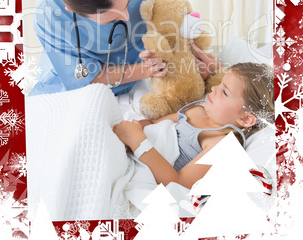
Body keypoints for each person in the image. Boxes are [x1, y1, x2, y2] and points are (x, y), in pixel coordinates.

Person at [29, 0, 175, 96]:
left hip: (147, 63)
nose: (127, 17)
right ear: (72, 10)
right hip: (86, 84)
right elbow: (83, 78)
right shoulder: (49, 16)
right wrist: (146, 70)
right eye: (111, 20)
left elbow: (176, 28)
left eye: (128, 1)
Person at [113, 62, 274, 189]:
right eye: (220, 83)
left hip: (143, 161)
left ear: (245, 120)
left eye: (225, 92)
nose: (213, 88)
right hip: (131, 144)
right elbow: (153, 123)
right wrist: (132, 128)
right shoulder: (197, 110)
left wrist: (137, 141)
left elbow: (178, 182)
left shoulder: (222, 143)